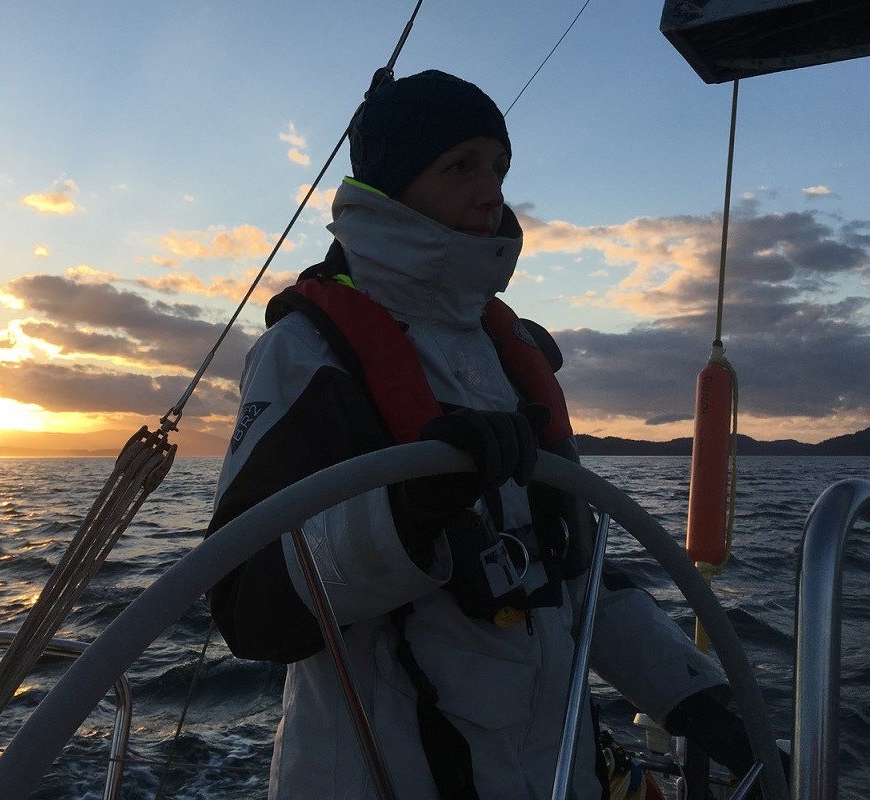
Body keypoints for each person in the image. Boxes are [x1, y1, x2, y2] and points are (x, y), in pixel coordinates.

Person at [207, 69, 761, 799]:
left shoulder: (507, 354)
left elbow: (574, 570)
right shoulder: (307, 356)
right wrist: (406, 515)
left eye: (498, 167)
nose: (490, 191)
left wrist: (694, 697)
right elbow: (251, 606)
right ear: (393, 186)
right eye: (460, 167)